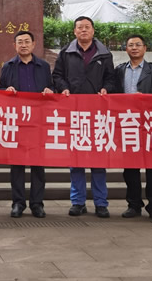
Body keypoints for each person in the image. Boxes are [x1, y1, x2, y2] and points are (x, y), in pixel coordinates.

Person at [52, 16, 115, 219]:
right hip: (75, 113)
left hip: (98, 115)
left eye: (87, 27)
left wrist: (106, 89)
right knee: (76, 160)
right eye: (80, 27)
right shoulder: (66, 53)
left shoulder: (104, 54)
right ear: (74, 31)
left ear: (93, 30)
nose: (83, 30)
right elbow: (57, 76)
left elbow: (111, 78)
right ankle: (78, 202)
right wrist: (64, 88)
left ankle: (101, 203)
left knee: (98, 161)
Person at [0, 30, 54, 218]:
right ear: (14, 46)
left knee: (38, 165)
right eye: (20, 42)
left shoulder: (43, 66)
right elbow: (0, 89)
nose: (23, 45)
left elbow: (51, 87)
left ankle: (37, 204)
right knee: (17, 166)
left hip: (38, 122)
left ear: (33, 44)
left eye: (27, 41)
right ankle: (18, 203)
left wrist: (49, 90)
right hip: (17, 123)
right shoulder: (8, 66)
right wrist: (6, 90)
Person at [114, 34, 152, 222]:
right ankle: (134, 204)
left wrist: (143, 98)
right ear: (126, 49)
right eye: (130, 45)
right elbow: (113, 95)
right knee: (130, 169)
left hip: (149, 124)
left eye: (138, 44)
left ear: (145, 48)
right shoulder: (119, 70)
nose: (134, 48)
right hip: (128, 124)